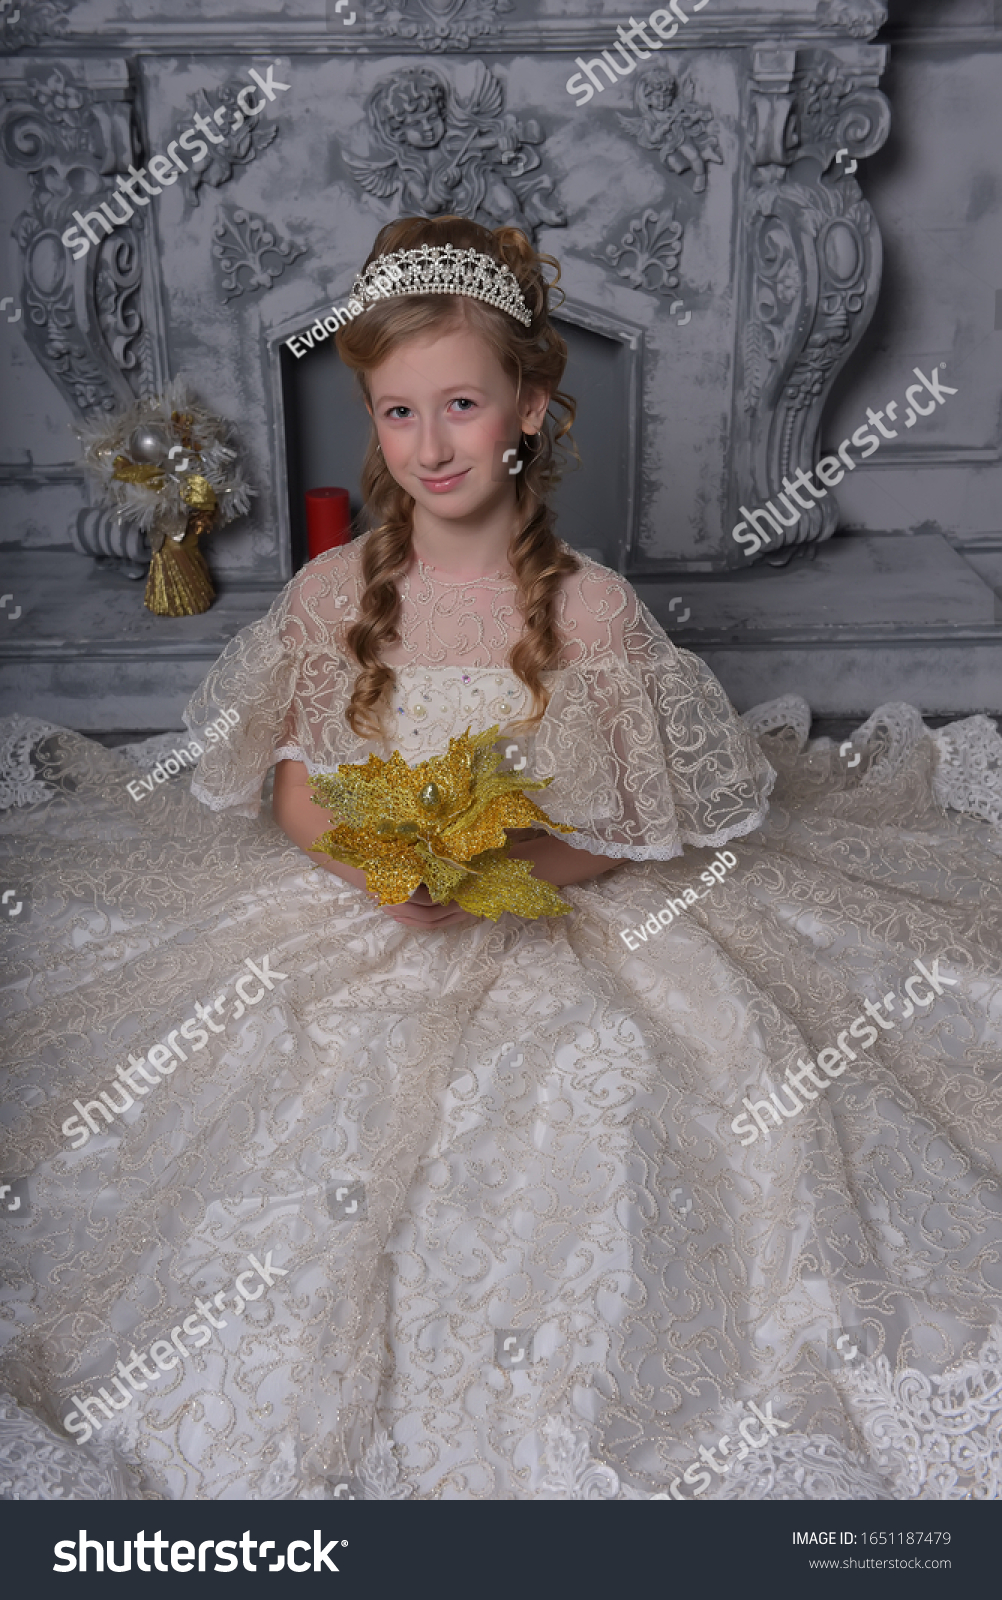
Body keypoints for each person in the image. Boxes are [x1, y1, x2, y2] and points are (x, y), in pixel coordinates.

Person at [2, 214, 1002, 1502]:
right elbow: (300, 781)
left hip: (547, 895)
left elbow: (633, 824)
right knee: (270, 1087)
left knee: (611, 1068)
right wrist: (370, 866)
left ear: (530, 407)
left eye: (462, 406)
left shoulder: (589, 610)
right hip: (368, 896)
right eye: (398, 412)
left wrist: (489, 874)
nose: (430, 446)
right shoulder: (333, 591)